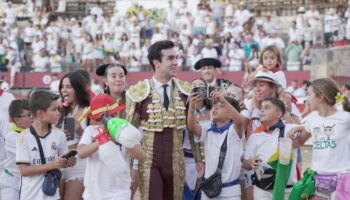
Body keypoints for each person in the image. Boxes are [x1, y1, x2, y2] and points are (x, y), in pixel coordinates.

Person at [126, 40, 191, 200]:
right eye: (170, 58)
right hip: (148, 160)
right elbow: (129, 134)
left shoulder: (186, 91)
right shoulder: (138, 91)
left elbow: (192, 129)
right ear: (156, 62)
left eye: (176, 57)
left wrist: (199, 159)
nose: (175, 62)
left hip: (177, 161)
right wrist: (131, 167)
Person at [288, 78, 350, 199]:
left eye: (309, 94)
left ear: (321, 97)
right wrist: (289, 135)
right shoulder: (312, 119)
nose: (307, 99)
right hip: (319, 176)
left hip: (343, 176)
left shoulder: (345, 118)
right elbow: (299, 142)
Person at [77, 94, 145, 199]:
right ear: (98, 120)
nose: (111, 120)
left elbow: (141, 156)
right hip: (93, 193)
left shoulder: (125, 128)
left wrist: (123, 137)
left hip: (119, 193)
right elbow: (81, 153)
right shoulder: (91, 130)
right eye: (108, 118)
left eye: (114, 115)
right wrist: (102, 139)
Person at [16, 90, 76, 200]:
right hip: (30, 195)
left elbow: (61, 163)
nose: (58, 113)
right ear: (40, 113)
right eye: (54, 109)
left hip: (52, 195)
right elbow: (24, 170)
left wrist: (68, 162)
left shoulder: (59, 135)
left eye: (58, 109)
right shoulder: (24, 137)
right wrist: (53, 165)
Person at [187, 90, 244, 199]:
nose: (215, 108)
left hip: (231, 192)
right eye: (215, 105)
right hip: (209, 190)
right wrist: (191, 108)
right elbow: (192, 128)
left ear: (231, 114)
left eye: (221, 106)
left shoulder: (234, 130)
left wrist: (224, 100)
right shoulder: (208, 129)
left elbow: (240, 121)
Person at [242, 97, 299, 199]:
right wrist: (250, 162)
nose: (262, 110)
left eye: (267, 107)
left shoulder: (289, 129)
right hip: (262, 190)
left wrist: (298, 127)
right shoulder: (255, 137)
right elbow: (245, 163)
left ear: (278, 114)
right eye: (261, 108)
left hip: (287, 190)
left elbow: (307, 130)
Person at [58, 71, 90, 200]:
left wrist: (81, 132)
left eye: (68, 87)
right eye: (62, 86)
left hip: (79, 164)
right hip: (58, 163)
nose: (64, 90)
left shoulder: (89, 109)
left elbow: (96, 140)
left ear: (78, 88)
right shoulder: (58, 109)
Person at [0, 99, 32, 200]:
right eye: (28, 115)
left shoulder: (32, 132)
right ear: (17, 120)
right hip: (12, 179)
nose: (32, 118)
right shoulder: (12, 136)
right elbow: (31, 155)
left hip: (28, 180)